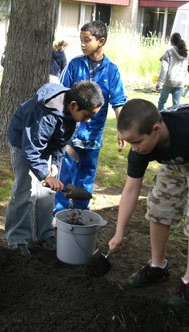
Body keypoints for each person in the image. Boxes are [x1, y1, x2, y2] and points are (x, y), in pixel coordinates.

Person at [108, 99, 189, 306]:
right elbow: (131, 189)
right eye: (130, 143)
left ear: (156, 129)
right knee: (159, 206)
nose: (135, 148)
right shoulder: (141, 148)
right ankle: (157, 267)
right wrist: (119, 231)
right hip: (177, 161)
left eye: (137, 142)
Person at [6, 80, 104, 256]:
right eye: (87, 115)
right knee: (24, 189)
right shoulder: (45, 113)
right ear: (74, 105)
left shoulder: (71, 111)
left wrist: (54, 166)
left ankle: (44, 234)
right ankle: (18, 238)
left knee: (47, 192)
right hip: (23, 143)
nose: (88, 120)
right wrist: (45, 175)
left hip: (43, 145)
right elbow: (31, 150)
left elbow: (61, 141)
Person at [55, 20, 127, 212]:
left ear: (101, 41)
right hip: (70, 135)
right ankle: (59, 213)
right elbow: (61, 94)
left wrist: (122, 128)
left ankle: (80, 211)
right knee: (64, 175)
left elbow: (118, 101)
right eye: (81, 40)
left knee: (86, 176)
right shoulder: (74, 65)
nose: (82, 44)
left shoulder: (112, 70)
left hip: (93, 137)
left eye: (87, 40)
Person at [155, 33, 188, 110]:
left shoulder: (169, 52)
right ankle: (175, 120)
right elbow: (185, 69)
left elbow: (164, 68)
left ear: (171, 41)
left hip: (169, 81)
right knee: (176, 104)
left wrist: (159, 82)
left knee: (162, 102)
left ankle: (160, 118)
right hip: (180, 82)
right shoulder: (185, 53)